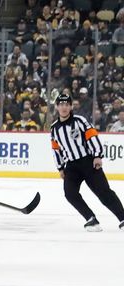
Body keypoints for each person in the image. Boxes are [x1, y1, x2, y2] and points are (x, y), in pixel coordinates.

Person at [50, 93, 124, 231]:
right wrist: (60, 168)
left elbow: (92, 137)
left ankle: (123, 218)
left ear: (71, 106)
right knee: (70, 193)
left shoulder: (80, 121)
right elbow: (56, 149)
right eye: (61, 104)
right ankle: (91, 219)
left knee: (104, 193)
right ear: (56, 107)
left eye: (67, 104)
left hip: (88, 162)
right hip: (71, 166)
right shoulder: (54, 128)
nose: (64, 107)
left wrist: (97, 155)